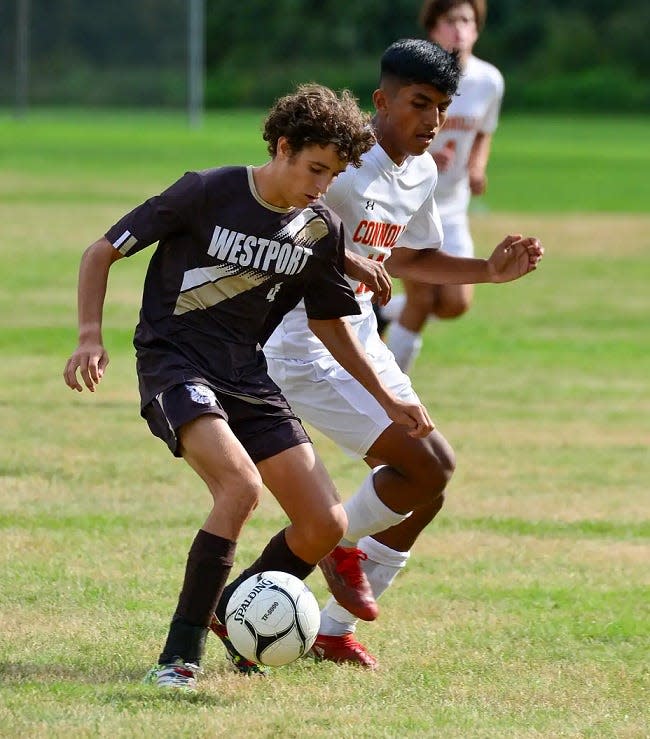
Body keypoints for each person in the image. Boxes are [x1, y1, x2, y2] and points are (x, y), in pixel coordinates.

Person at [62, 83, 435, 690]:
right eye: (314, 168)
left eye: (333, 173)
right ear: (282, 148)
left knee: (324, 522)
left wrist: (388, 397)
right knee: (239, 486)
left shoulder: (320, 229)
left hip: (245, 374)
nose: (321, 185)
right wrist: (87, 335)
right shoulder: (207, 191)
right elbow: (100, 252)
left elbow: (331, 327)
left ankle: (231, 613)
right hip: (175, 362)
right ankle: (178, 657)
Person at [258, 39, 543, 669]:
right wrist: (336, 254)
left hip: (355, 332)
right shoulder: (339, 161)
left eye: (442, 107)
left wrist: (488, 273)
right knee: (422, 470)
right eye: (420, 104)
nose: (434, 122)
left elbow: (409, 257)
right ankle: (328, 544)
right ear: (381, 101)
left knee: (431, 480)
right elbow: (269, 222)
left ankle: (332, 627)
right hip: (298, 341)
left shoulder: (422, 170)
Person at [380, 0, 505, 373]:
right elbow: (389, 128)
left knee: (455, 303)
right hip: (409, 200)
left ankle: (383, 310)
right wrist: (423, 162)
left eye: (467, 20)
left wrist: (477, 167)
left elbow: (484, 132)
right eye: (450, 20)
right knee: (420, 299)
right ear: (433, 29)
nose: (460, 29)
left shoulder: (489, 80)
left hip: (451, 204)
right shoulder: (415, 74)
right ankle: (391, 390)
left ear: (478, 28)